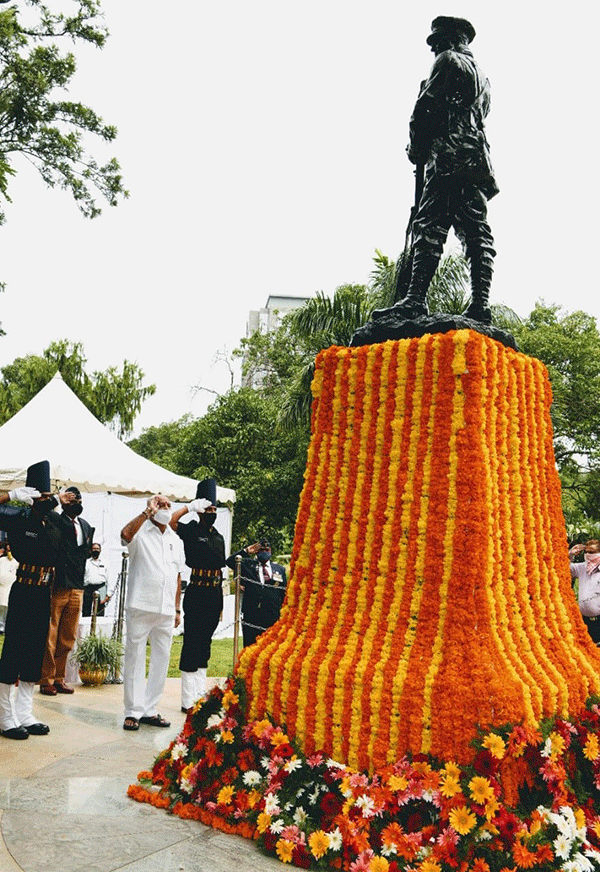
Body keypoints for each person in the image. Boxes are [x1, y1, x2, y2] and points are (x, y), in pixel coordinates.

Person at [389, 16, 498, 324]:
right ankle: (480, 304)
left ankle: (414, 300)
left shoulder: (448, 60)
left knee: (429, 226)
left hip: (448, 157)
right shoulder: (485, 79)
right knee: (476, 232)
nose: (433, 48)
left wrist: (416, 148)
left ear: (451, 40)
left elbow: (425, 108)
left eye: (436, 41)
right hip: (476, 162)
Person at [0, 461, 78, 739]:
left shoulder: (54, 521)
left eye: (49, 495)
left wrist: (65, 506)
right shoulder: (18, 516)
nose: (47, 500)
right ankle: (5, 716)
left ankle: (24, 712)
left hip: (45, 591)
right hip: (24, 589)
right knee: (14, 651)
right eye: (42, 496)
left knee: (35, 652)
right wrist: (10, 495)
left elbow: (71, 541)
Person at [121, 495, 184, 731]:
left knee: (162, 659)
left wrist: (177, 608)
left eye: (168, 505)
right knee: (135, 658)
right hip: (141, 605)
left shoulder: (176, 539)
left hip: (166, 609)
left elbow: (177, 576)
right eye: (161, 504)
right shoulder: (140, 531)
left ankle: (150, 709)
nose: (165, 508)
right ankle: (133, 710)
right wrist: (147, 512)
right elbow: (125, 535)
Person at [169, 478, 226, 713]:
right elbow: (171, 522)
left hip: (214, 592)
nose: (212, 513)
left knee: (206, 644)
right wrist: (188, 507)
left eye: (214, 510)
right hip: (197, 592)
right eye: (208, 509)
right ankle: (187, 700)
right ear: (200, 510)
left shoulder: (218, 536)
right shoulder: (192, 529)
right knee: (192, 642)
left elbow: (221, 565)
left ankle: (200, 694)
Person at [40, 486, 94, 695]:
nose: (76, 504)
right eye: (71, 501)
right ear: (64, 503)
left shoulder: (86, 526)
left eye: (78, 500)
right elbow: (45, 513)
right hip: (58, 584)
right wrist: (58, 499)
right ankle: (46, 678)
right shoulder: (55, 519)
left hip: (77, 586)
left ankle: (59, 678)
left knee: (68, 636)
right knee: (51, 635)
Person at [226, 539, 287, 647]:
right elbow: (229, 561)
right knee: (250, 647)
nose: (264, 552)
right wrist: (246, 551)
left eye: (266, 550)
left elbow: (283, 593)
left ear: (270, 551)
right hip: (252, 614)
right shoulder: (248, 565)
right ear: (257, 552)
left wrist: (284, 613)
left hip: (272, 615)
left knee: (271, 647)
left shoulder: (279, 569)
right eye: (261, 550)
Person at [569, 540, 600, 644]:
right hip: (584, 621)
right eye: (586, 552)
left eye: (592, 552)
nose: (588, 555)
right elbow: (564, 567)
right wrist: (571, 553)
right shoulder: (582, 567)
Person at [83, 542, 110, 617]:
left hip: (101, 587)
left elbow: (108, 578)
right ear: (91, 550)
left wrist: (108, 594)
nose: (96, 550)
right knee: (86, 609)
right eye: (94, 549)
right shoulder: (86, 562)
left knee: (100, 610)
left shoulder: (105, 563)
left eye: (97, 549)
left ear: (100, 550)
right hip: (88, 588)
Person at [0, 537, 17, 632]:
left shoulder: (16, 562)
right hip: (1, 587)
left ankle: (3, 626)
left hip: (9, 587)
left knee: (6, 607)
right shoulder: (2, 560)